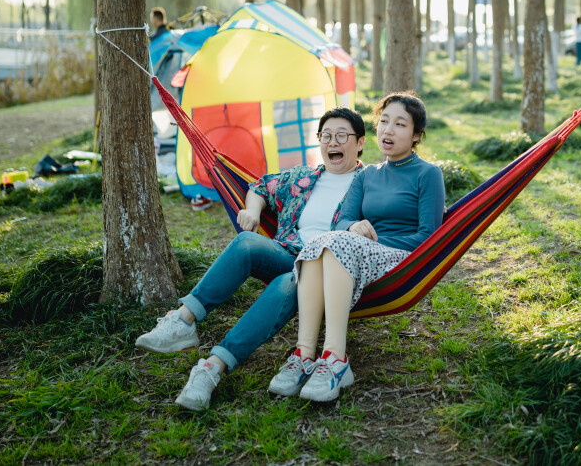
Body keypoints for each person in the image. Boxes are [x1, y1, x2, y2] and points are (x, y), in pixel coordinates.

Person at [134, 107, 367, 411]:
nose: (332, 143)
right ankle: (183, 320)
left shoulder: (369, 183)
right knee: (246, 241)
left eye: (342, 136)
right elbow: (259, 186)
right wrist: (253, 211)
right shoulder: (302, 177)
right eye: (326, 136)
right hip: (288, 253)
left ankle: (212, 368)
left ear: (360, 142)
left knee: (288, 284)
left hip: (326, 270)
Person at [270, 92, 446, 402]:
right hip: (358, 253)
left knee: (339, 244)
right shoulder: (366, 175)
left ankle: (336, 358)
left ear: (417, 135)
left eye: (400, 124)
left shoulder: (428, 174)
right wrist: (352, 228)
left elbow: (427, 236)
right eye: (384, 122)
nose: (388, 130)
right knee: (325, 242)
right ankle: (304, 355)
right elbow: (343, 221)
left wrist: (369, 239)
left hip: (403, 262)